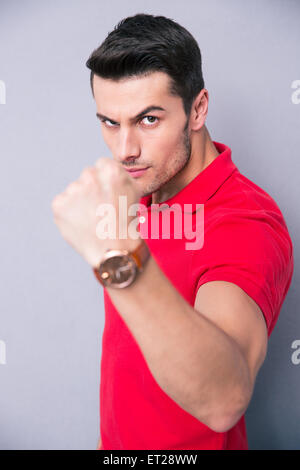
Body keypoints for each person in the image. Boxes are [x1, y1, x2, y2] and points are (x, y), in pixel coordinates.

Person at [52, 13, 294, 450]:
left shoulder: (244, 221)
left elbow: (224, 397)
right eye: (110, 121)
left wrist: (117, 256)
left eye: (148, 120)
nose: (125, 150)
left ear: (197, 109)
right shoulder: (142, 191)